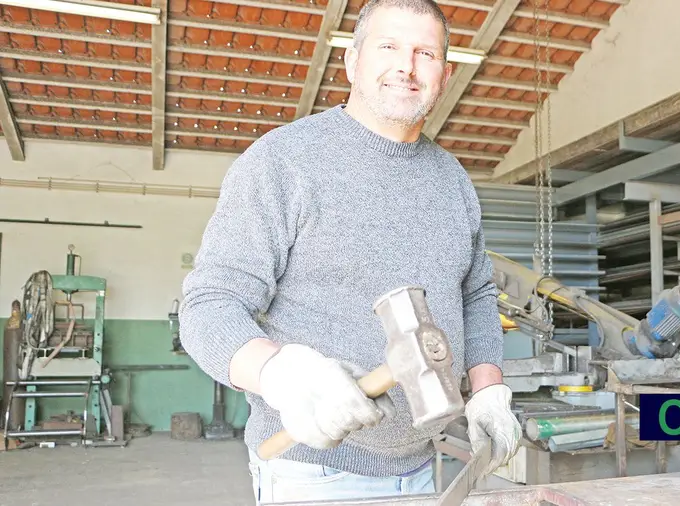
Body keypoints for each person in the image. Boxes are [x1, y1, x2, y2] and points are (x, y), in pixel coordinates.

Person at [177, 0, 522, 503]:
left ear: (445, 75)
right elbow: (209, 307)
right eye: (389, 47)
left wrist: (488, 387)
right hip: (314, 473)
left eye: (425, 53)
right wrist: (281, 375)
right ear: (352, 60)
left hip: (427, 464)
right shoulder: (283, 161)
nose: (406, 66)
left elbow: (476, 293)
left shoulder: (453, 181)